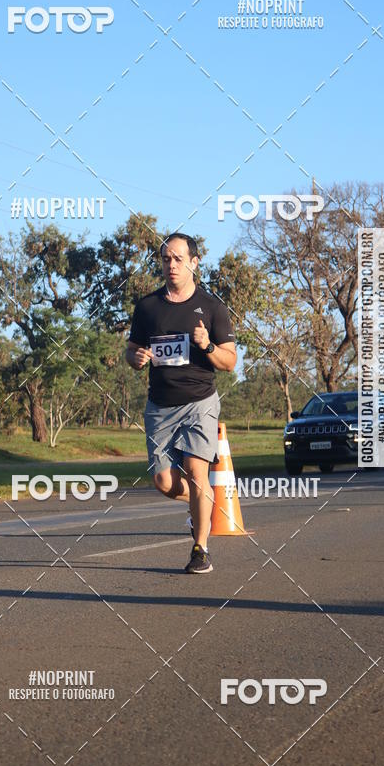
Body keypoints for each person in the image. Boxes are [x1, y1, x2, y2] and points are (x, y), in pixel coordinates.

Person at [125, 233, 237, 573]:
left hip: (199, 401)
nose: (171, 265)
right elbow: (130, 351)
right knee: (163, 481)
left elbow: (230, 361)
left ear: (193, 262)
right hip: (160, 405)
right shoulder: (147, 308)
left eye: (178, 259)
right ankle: (201, 505)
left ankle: (200, 549)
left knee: (196, 471)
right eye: (166, 259)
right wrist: (137, 357)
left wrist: (207, 346)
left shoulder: (213, 307)